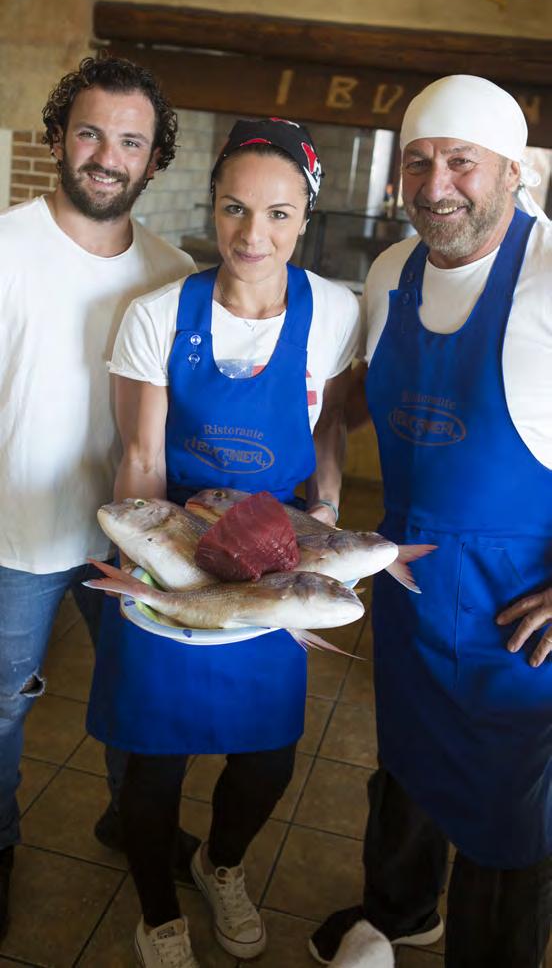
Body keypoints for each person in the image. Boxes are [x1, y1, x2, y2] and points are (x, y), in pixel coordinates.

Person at [86, 116, 360, 968]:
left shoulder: (337, 312)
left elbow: (330, 428)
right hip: (172, 552)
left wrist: (329, 513)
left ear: (305, 219)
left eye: (278, 214)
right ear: (213, 207)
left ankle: (222, 863)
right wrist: (161, 579)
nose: (253, 234)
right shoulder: (157, 315)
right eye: (235, 209)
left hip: (275, 565)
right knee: (153, 766)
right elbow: (138, 458)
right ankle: (158, 911)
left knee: (268, 757)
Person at [309, 75, 552, 968]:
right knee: (406, 767)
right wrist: (321, 489)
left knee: (508, 820)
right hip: (408, 584)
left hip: (518, 616)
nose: (436, 183)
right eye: (418, 161)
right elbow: (358, 397)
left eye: (461, 162)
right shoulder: (389, 272)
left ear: (512, 173)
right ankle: (400, 911)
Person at [0, 54, 198, 942]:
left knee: (139, 691)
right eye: (90, 133)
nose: (107, 156)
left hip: (130, 535)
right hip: (14, 531)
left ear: (154, 160)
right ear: (57, 138)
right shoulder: (5, 246)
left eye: (130, 141)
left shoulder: (174, 270)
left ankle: (135, 823)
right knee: (2, 706)